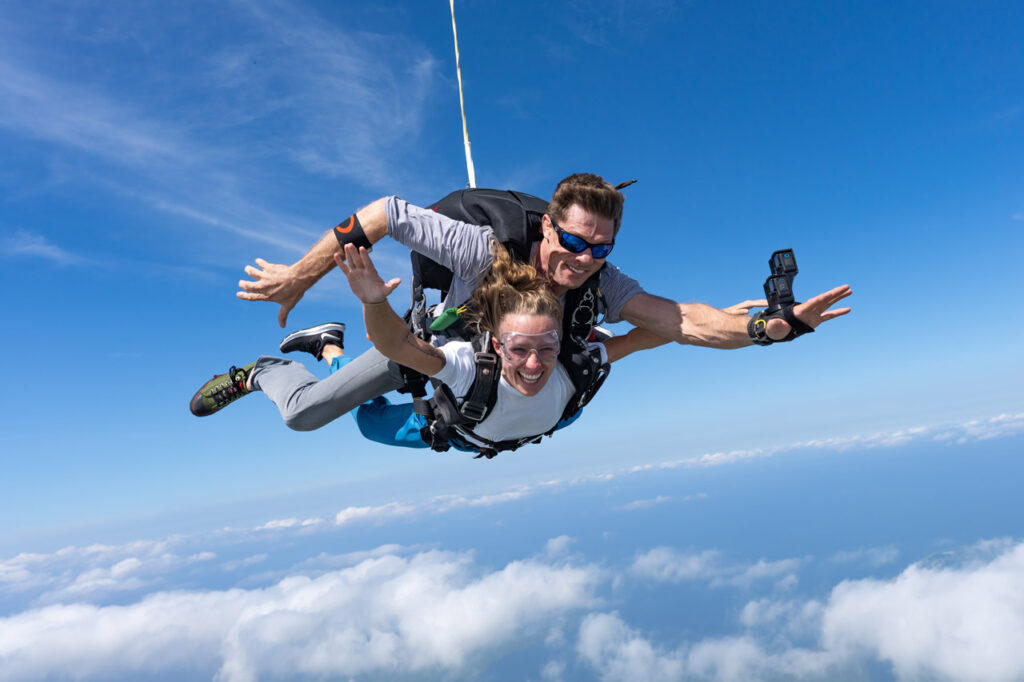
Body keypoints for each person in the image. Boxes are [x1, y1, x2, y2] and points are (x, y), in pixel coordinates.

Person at [190, 173, 851, 428]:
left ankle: (330, 343)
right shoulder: (481, 249)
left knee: (390, 416)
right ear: (546, 227)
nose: (584, 259)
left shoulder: (598, 282)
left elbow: (677, 320)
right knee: (306, 416)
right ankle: (270, 369)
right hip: (426, 348)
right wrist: (301, 277)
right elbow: (385, 214)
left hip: (506, 371)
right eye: (573, 241)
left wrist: (767, 329)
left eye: (600, 249)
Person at [301, 242, 664, 454]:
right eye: (520, 349)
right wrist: (373, 303)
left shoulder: (573, 367)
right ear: (496, 345)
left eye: (547, 347)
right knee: (367, 421)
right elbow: (397, 345)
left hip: (488, 431)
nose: (535, 365)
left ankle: (558, 336)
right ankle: (327, 347)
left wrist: (713, 323)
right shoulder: (468, 370)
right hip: (457, 430)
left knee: (571, 397)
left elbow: (642, 337)